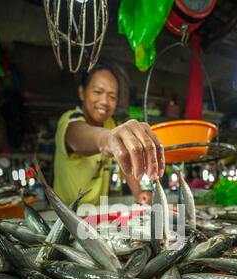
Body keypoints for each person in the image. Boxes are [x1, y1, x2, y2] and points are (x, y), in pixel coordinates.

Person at [53, 63, 165, 207]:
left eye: (112, 96)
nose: (105, 102)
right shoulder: (69, 120)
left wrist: (138, 193)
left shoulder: (110, 124)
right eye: (98, 92)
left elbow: (125, 160)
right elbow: (79, 136)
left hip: (96, 216)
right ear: (82, 92)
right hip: (65, 220)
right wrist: (107, 139)